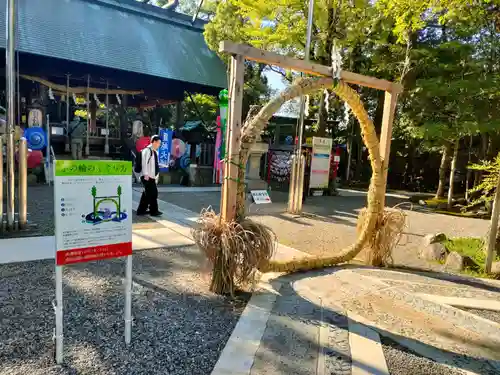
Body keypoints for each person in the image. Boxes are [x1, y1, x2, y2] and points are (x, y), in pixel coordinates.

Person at [136, 135, 162, 216]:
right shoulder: (147, 150)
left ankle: (141, 210)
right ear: (154, 142)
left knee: (147, 194)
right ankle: (154, 211)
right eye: (158, 143)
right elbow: (144, 163)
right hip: (147, 176)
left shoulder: (154, 152)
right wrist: (146, 174)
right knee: (153, 193)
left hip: (151, 176)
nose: (159, 145)